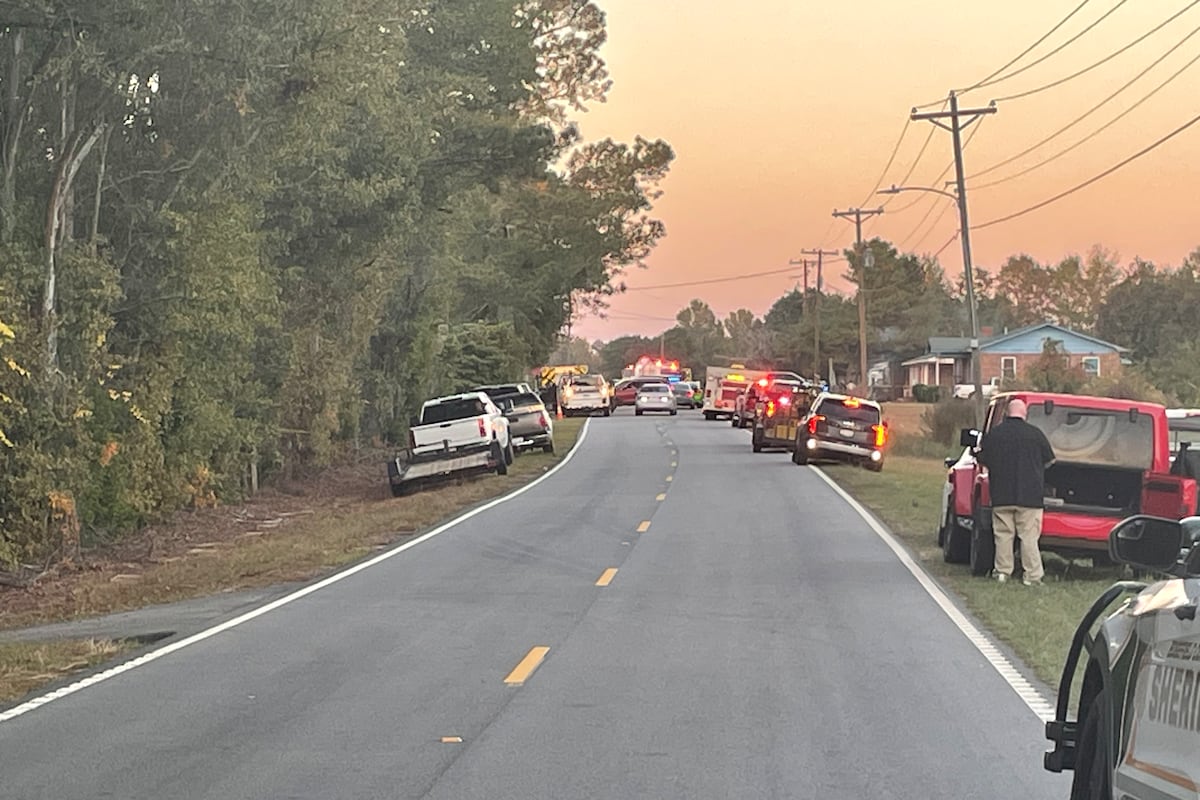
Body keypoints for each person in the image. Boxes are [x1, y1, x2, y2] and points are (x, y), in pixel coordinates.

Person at [975, 398, 1056, 586]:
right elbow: (1050, 460)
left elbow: (983, 458)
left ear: (1007, 413)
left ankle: (1003, 572)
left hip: (1002, 494)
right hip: (1030, 496)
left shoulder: (995, 435)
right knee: (1028, 537)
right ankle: (1032, 576)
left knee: (1003, 535)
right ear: (1024, 413)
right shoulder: (1035, 434)